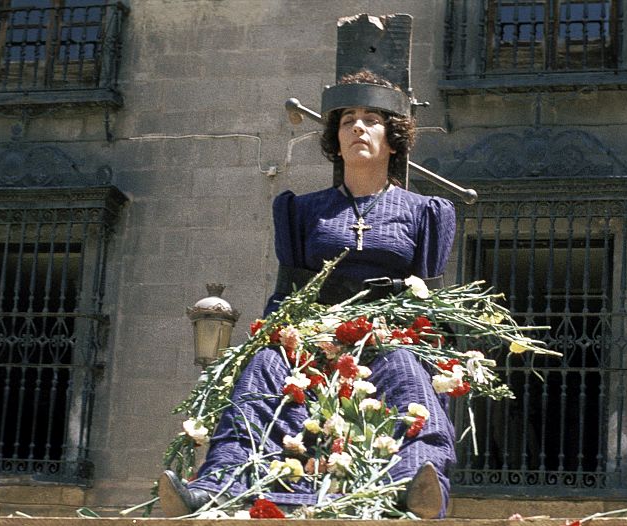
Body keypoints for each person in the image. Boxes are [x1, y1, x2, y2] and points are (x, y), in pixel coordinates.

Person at [158, 71, 457, 519]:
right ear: (336, 139)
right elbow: (288, 293)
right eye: (347, 121)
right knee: (263, 369)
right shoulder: (303, 210)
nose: (358, 128)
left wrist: (399, 335)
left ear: (393, 140)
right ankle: (217, 486)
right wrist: (277, 338)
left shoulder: (425, 212)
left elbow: (427, 300)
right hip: (313, 333)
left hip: (391, 334)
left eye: (371, 120)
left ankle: (410, 487)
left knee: (405, 372)